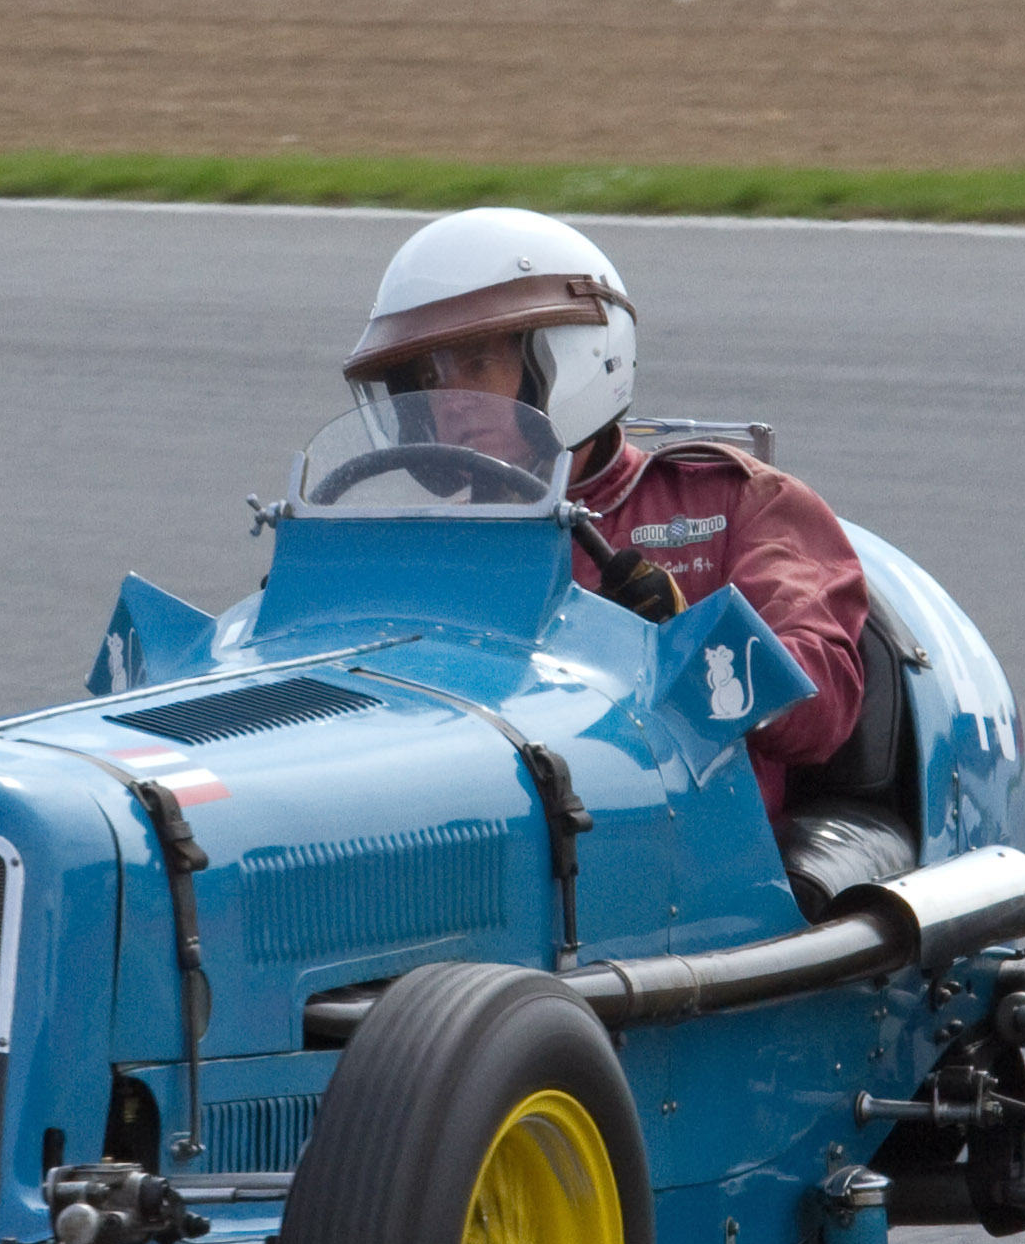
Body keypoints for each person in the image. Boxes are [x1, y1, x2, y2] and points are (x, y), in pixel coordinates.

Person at [342, 206, 871, 824]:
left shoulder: (735, 503)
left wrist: (686, 645)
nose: (451, 404)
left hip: (695, 864)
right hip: (486, 829)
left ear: (575, 357)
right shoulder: (424, 551)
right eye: (431, 379)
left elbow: (822, 711)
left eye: (480, 364)